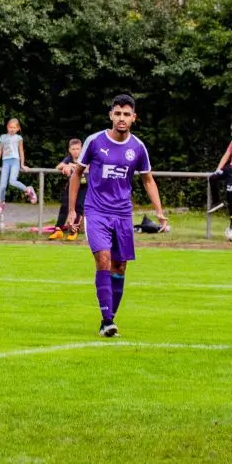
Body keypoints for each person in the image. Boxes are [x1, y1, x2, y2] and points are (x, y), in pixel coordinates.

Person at [66, 94, 167, 338]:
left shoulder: (138, 148)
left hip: (122, 213)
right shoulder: (95, 141)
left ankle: (109, 318)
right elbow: (77, 175)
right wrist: (72, 210)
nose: (121, 118)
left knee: (120, 267)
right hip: (96, 210)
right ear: (111, 115)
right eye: (118, 113)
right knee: (103, 258)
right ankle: (107, 319)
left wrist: (160, 212)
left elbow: (147, 179)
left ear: (134, 118)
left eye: (126, 114)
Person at [0, 117, 36, 220]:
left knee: (12, 181)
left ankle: (29, 190)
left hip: (15, 161)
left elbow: (21, 151)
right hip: (5, 162)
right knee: (2, 186)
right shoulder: (3, 137)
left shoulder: (18, 138)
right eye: (10, 127)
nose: (12, 129)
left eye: (14, 127)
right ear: (7, 127)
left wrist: (22, 164)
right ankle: (0, 206)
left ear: (18, 128)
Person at [49, 138, 85, 241]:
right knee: (64, 207)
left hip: (84, 187)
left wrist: (73, 166)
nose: (75, 151)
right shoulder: (68, 159)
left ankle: (74, 231)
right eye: (73, 149)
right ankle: (58, 229)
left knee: (79, 208)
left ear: (81, 149)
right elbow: (58, 167)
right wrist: (66, 165)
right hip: (71, 187)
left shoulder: (85, 158)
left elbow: (88, 168)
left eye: (78, 148)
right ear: (69, 150)